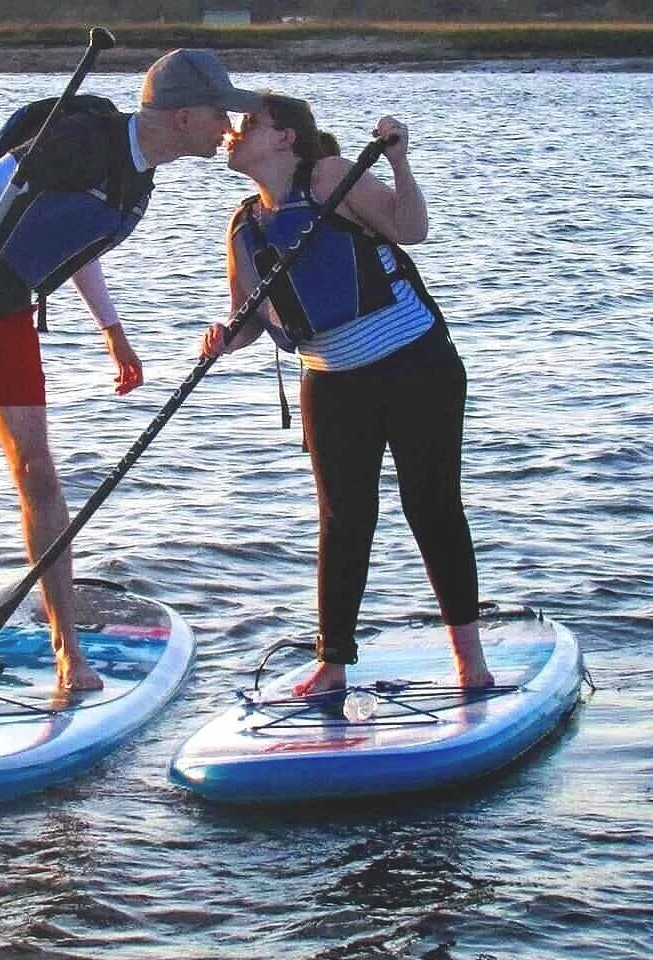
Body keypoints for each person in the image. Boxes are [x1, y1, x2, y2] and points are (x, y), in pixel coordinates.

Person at [0, 50, 262, 688]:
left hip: (5, 307)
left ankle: (66, 649)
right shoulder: (79, 141)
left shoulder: (139, 180)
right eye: (222, 114)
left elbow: (69, 242)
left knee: (39, 474)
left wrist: (114, 332)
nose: (229, 127)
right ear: (184, 116)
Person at [200, 94, 494, 695]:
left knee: (431, 505)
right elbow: (251, 317)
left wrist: (400, 162)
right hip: (331, 382)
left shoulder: (330, 175)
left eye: (249, 122)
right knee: (342, 520)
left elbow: (411, 230)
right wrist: (228, 336)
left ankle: (471, 662)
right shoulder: (244, 223)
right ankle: (332, 663)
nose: (235, 130)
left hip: (415, 365)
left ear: (285, 139)